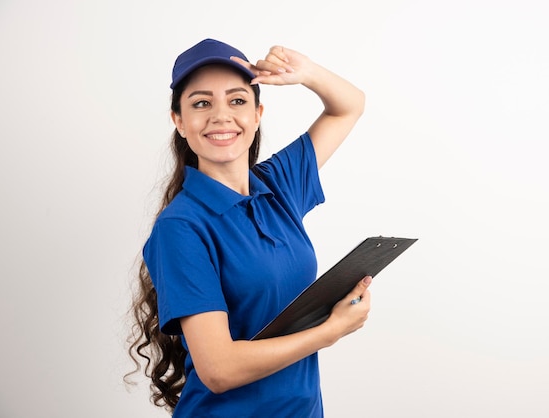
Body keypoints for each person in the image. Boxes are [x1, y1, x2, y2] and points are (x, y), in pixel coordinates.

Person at [126, 38, 369, 417]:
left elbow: (348, 107)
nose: (221, 116)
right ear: (179, 121)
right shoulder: (180, 228)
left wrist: (305, 72)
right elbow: (218, 369)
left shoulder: (279, 186)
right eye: (202, 103)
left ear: (257, 115)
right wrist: (331, 330)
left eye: (237, 100)